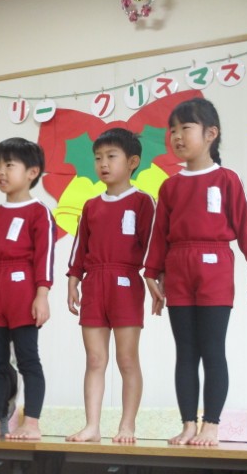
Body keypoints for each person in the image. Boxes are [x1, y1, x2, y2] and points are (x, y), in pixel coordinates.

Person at [144, 98, 247, 447]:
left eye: (185, 128)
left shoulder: (227, 179)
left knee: (212, 349)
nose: (177, 136)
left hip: (215, 266)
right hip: (178, 268)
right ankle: (188, 425)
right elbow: (159, 235)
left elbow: (246, 224)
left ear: (211, 134)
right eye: (172, 130)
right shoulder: (170, 186)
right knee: (185, 352)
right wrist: (151, 273)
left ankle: (211, 425)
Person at [66, 128, 155, 443]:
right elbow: (79, 248)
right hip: (94, 284)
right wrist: (73, 281)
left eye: (111, 156)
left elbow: (153, 247)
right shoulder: (91, 205)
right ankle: (92, 426)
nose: (103, 163)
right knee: (94, 360)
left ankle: (127, 425)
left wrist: (156, 279)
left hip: (126, 284)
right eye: (98, 158)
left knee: (127, 359)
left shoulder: (143, 202)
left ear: (132, 162)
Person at [0, 137, 54, 440]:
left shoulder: (39, 212)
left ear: (32, 172)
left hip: (22, 293)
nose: (1, 172)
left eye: (9, 165)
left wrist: (42, 295)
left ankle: (32, 423)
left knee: (28, 360)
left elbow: (44, 257)